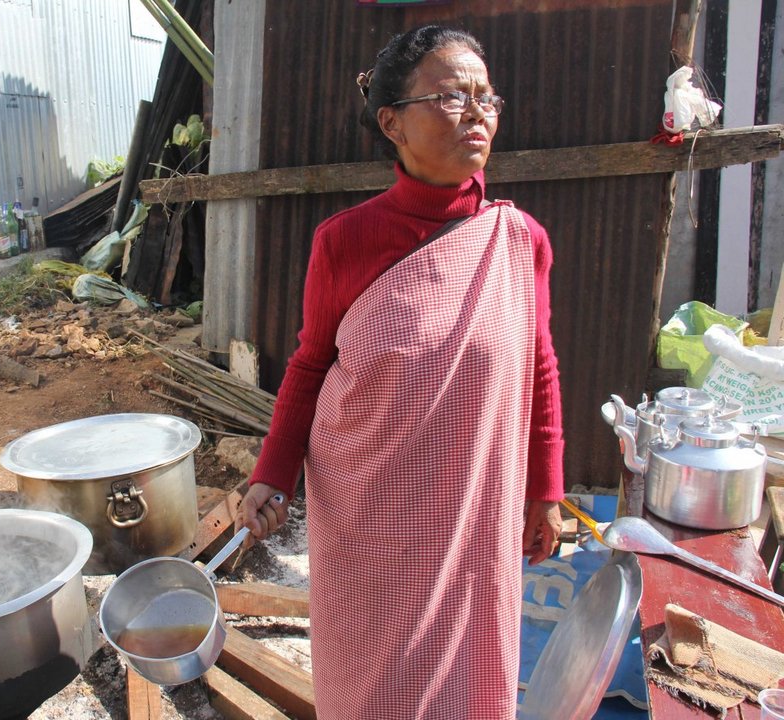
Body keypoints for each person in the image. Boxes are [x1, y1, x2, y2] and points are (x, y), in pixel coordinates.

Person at [237, 24, 565, 719]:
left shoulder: (518, 241)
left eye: (487, 97)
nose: (478, 113)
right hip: (368, 510)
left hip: (473, 509)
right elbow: (308, 365)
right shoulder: (346, 241)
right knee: (372, 680)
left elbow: (539, 368)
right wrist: (273, 471)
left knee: (468, 673)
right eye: (452, 96)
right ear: (392, 123)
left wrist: (546, 490)